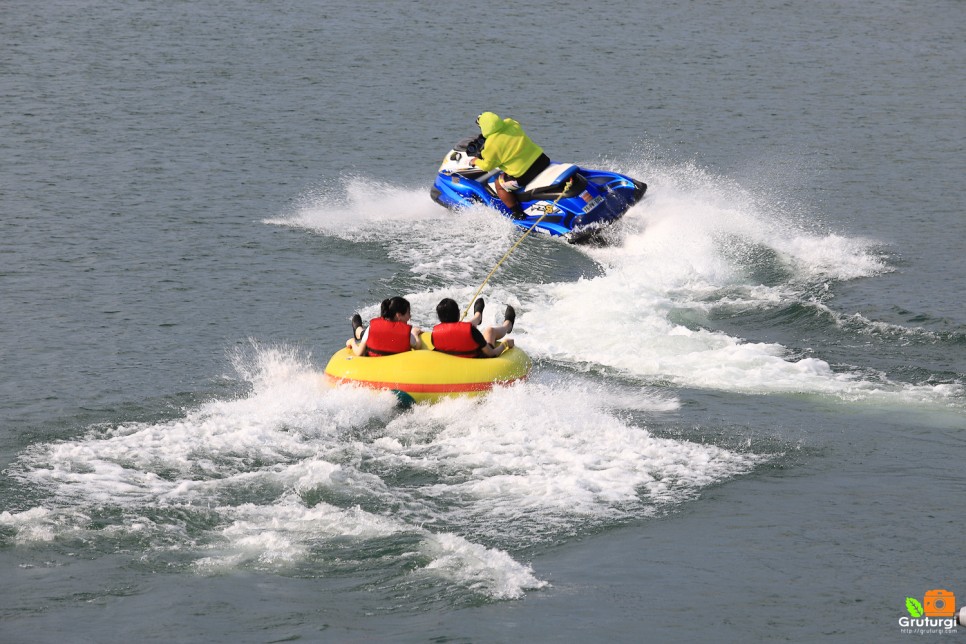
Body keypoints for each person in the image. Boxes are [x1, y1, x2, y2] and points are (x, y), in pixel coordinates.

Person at [469, 112, 552, 219]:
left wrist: (475, 161)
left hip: (524, 174)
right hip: (541, 160)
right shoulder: (511, 124)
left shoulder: (491, 144)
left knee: (499, 185)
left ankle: (517, 213)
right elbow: (514, 124)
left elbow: (487, 166)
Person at [431, 297, 516, 358]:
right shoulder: (472, 331)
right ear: (458, 314)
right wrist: (505, 344)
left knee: (465, 327)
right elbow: (491, 354)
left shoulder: (434, 335)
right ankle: (508, 325)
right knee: (490, 331)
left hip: (452, 362)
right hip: (476, 359)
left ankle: (478, 316)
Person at [346, 296, 423, 357]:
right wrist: (415, 333)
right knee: (364, 334)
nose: (410, 317)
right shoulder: (407, 333)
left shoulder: (372, 328)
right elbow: (418, 346)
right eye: (408, 313)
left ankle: (358, 331)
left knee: (367, 333)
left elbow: (359, 352)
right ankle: (357, 330)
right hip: (371, 333)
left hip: (373, 333)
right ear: (398, 315)